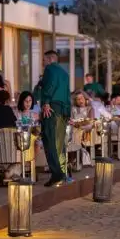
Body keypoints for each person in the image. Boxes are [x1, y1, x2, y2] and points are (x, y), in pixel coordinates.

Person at [34, 50, 71, 186]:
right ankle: (62, 173)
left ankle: (57, 174)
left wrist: (46, 102)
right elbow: (67, 93)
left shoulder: (49, 69)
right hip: (63, 110)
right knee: (60, 142)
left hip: (51, 108)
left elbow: (49, 86)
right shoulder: (65, 73)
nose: (43, 63)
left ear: (50, 59)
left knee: (49, 139)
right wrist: (68, 112)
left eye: (44, 60)